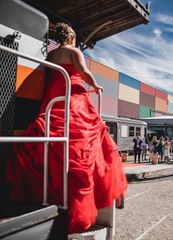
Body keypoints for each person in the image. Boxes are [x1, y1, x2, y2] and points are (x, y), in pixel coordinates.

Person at [5, 23, 127, 234]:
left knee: (50, 138)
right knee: (85, 140)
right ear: (71, 37)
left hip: (52, 97)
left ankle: (49, 197)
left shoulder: (51, 56)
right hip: (73, 98)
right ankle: (82, 201)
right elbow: (83, 71)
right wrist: (95, 85)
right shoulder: (73, 51)